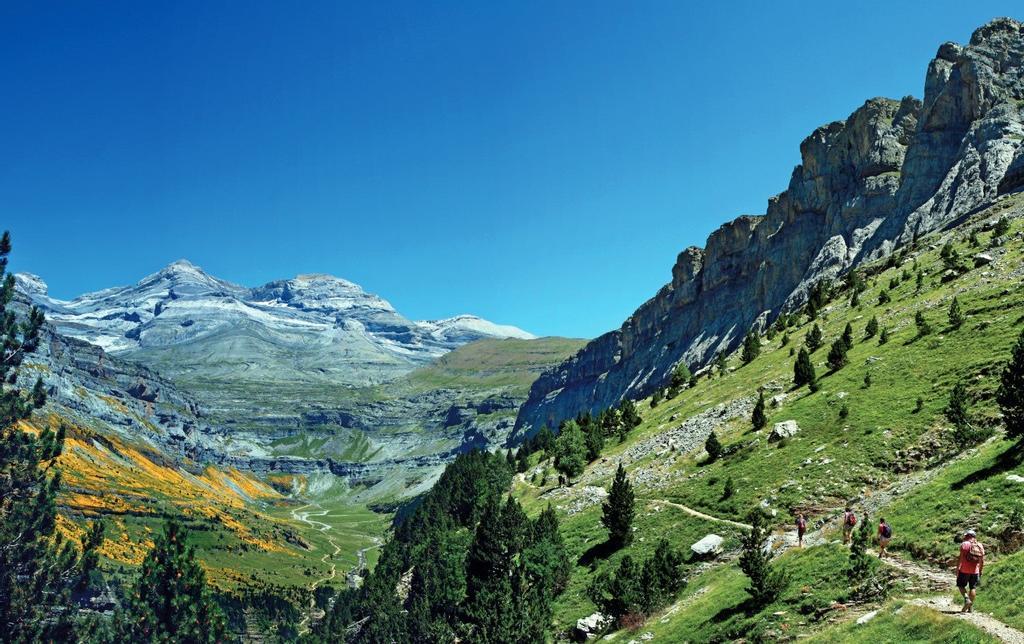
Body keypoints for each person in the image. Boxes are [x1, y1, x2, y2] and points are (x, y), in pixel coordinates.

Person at [957, 529, 985, 613]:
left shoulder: (964, 544)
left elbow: (960, 558)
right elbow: (982, 560)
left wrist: (957, 568)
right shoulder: (979, 545)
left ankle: (966, 599)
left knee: (961, 585)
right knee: (972, 588)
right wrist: (980, 570)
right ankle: (970, 608)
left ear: (967, 536)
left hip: (964, 570)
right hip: (975, 571)